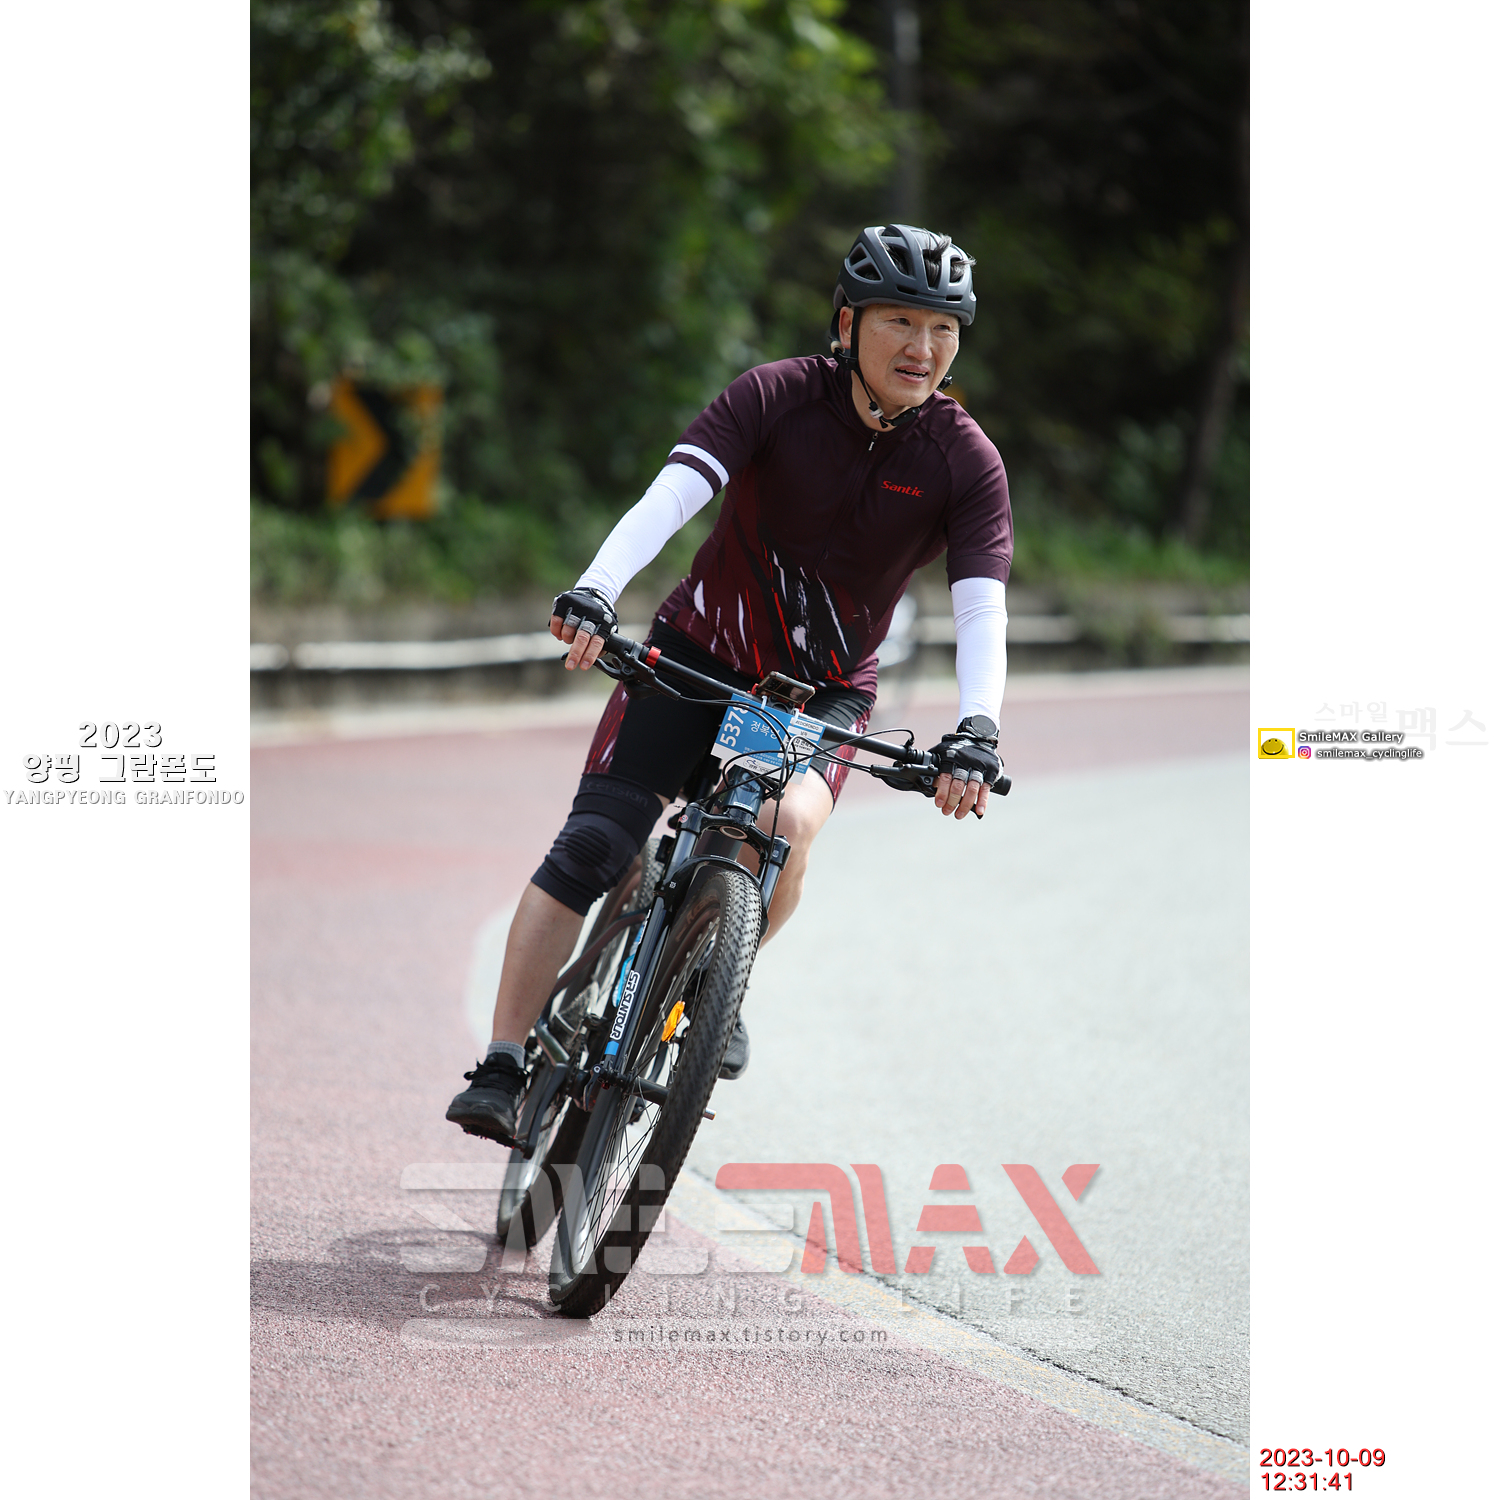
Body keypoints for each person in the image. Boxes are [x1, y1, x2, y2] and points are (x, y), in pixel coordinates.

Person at [447, 223, 1012, 1145]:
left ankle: (719, 973)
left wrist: (977, 728)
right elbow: (677, 490)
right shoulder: (777, 395)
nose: (923, 347)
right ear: (847, 324)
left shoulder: (963, 459)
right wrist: (597, 590)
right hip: (698, 655)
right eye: (901, 322)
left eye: (943, 328)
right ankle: (504, 1062)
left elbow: (982, 604)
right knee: (594, 845)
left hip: (818, 695)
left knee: (784, 825)